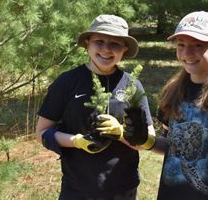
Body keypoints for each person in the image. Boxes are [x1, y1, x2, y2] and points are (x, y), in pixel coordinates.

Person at [97, 11, 208, 200]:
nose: (187, 53)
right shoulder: (174, 91)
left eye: (197, 45)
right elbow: (171, 146)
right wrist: (145, 140)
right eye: (181, 45)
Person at [35, 14, 155, 200]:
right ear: (87, 44)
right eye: (99, 41)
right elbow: (42, 132)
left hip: (123, 188)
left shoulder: (132, 86)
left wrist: (122, 133)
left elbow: (149, 139)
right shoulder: (67, 82)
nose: (106, 49)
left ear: (124, 49)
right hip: (77, 188)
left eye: (115, 44)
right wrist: (77, 141)